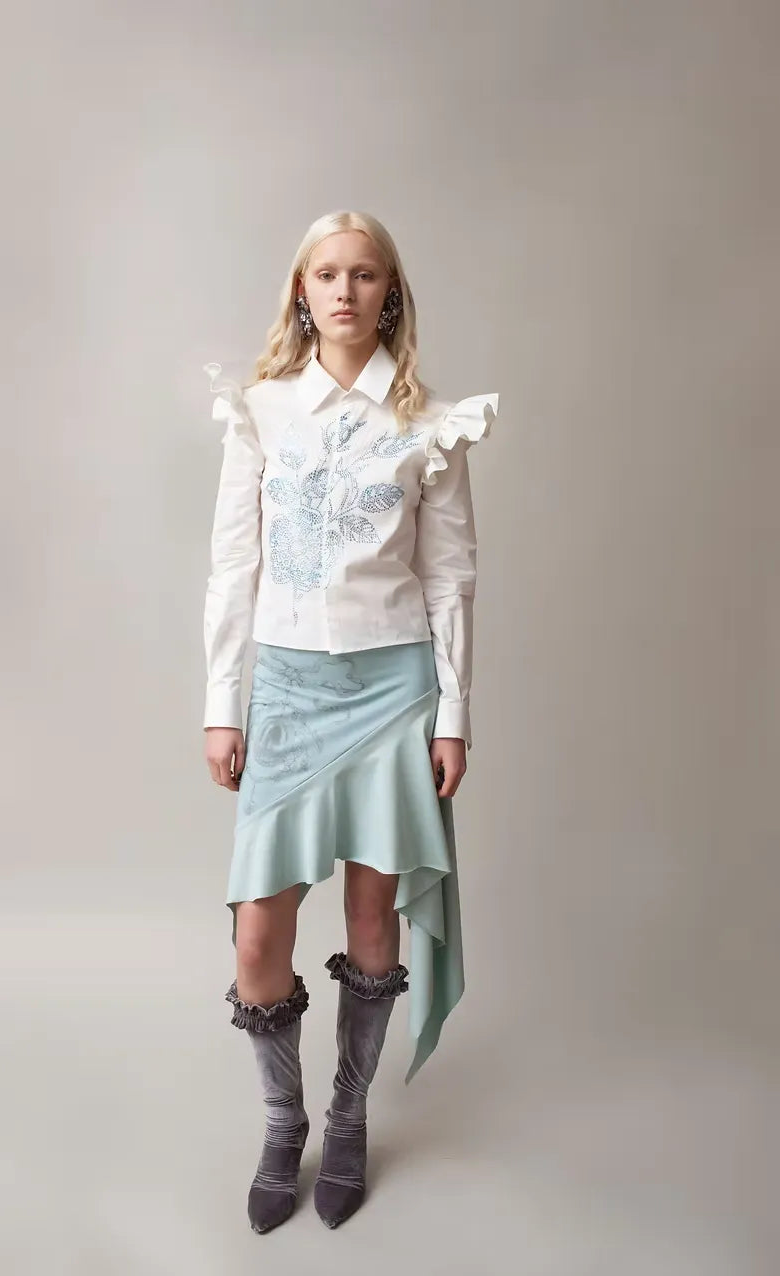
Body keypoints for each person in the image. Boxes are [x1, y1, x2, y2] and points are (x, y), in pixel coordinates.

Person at [201, 209, 498, 1234]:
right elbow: (231, 568)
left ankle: (348, 1114)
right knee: (258, 935)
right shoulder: (260, 411)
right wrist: (222, 703)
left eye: (364, 274)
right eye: (325, 274)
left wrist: (453, 715)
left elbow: (450, 577)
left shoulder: (431, 423)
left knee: (373, 923)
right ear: (301, 291)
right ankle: (284, 1121)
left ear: (390, 293)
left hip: (392, 691)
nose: (344, 290)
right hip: (287, 691)